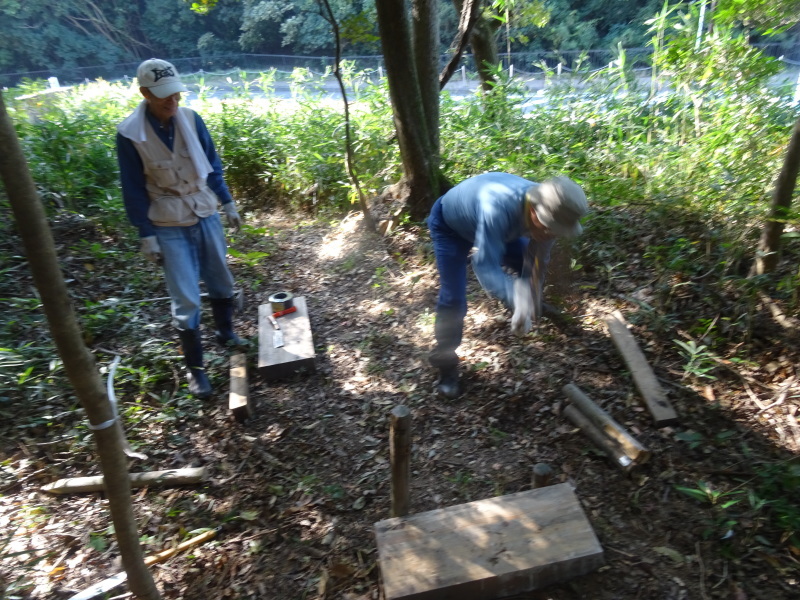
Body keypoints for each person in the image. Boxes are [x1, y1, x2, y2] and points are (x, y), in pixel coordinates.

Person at [116, 58, 242, 398]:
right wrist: (145, 233)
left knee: (220, 276)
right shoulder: (130, 133)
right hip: (167, 220)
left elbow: (212, 164)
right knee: (185, 297)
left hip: (204, 209)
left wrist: (227, 201)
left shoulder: (191, 119)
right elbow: (133, 187)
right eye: (162, 96)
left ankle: (226, 332)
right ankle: (196, 371)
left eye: (175, 93)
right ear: (144, 93)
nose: (172, 101)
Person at [427, 171, 588, 398]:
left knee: (525, 264)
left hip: (496, 229)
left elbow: (536, 264)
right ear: (533, 209)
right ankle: (446, 365)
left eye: (556, 230)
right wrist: (516, 299)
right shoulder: (498, 206)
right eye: (547, 226)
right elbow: (484, 265)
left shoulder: (554, 211)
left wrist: (528, 301)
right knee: (453, 298)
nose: (550, 233)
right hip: (450, 227)